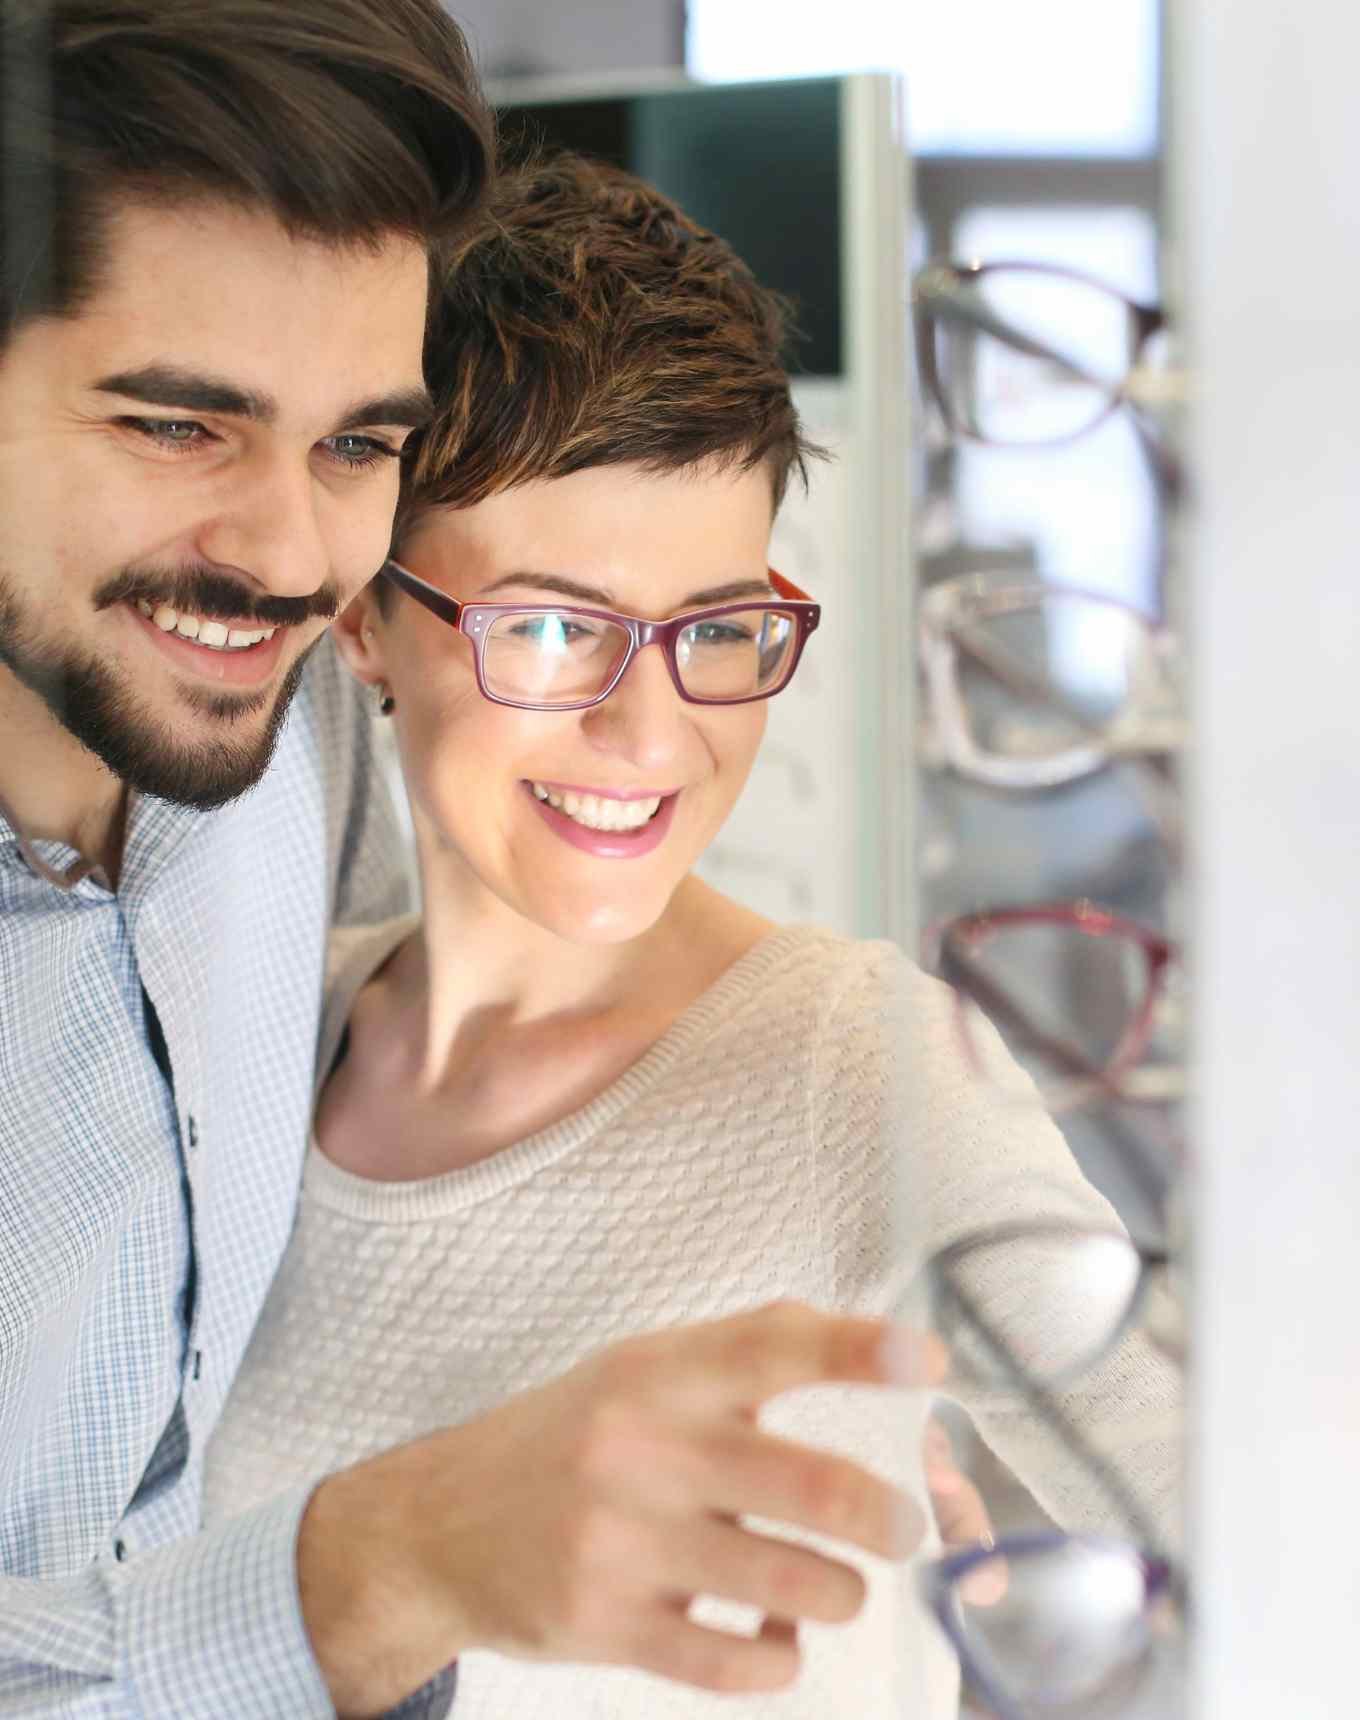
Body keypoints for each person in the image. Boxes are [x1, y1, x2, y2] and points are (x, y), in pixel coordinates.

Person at [0, 11, 946, 1718]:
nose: (292, 555)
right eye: (174, 428)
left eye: (359, 443)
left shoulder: (283, 735)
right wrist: (402, 1559)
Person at [202, 156, 1183, 1717]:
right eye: (548, 626)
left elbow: (1243, 1512)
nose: (650, 733)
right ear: (365, 618)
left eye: (720, 626)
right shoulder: (248, 1057)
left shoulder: (858, 1064)